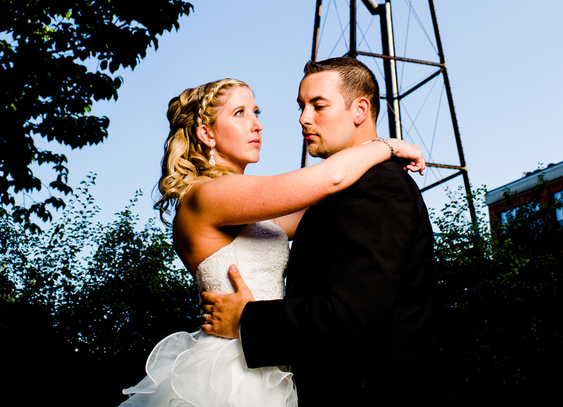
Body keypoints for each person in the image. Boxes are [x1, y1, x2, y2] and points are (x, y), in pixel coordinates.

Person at [121, 77, 425, 407]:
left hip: (272, 357)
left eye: (256, 111)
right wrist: (386, 147)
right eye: (239, 113)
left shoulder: (253, 211)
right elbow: (330, 178)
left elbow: (330, 212)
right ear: (207, 134)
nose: (257, 125)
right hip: (230, 371)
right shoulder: (207, 196)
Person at [201, 58, 436, 407]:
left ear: (360, 110)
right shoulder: (336, 193)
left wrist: (245, 319)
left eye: (318, 106)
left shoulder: (378, 187)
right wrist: (386, 146)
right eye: (301, 106)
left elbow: (350, 320)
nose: (303, 118)